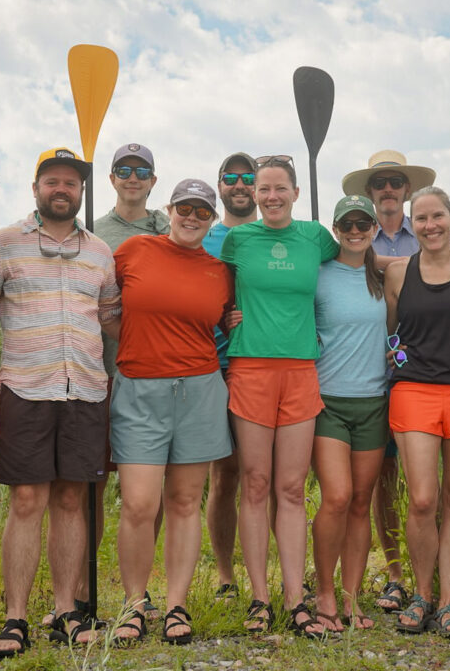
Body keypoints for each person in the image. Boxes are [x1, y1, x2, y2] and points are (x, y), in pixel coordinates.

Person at [0, 148, 119, 658]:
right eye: (52, 182)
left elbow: (111, 317)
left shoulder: (100, 251)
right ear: (36, 187)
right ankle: (15, 617)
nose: (61, 189)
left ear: (82, 191)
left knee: (71, 501)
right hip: (26, 386)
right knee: (27, 502)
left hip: (86, 388)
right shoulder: (3, 244)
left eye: (71, 183)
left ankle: (66, 610)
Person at [105, 179, 234, 644]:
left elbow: (228, 320)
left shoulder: (219, 270)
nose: (192, 217)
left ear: (211, 218)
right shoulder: (135, 250)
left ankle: (177, 605)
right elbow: (103, 300)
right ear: (170, 208)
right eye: (185, 207)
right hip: (139, 389)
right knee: (140, 504)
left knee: (183, 503)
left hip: (200, 391)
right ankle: (134, 605)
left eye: (202, 211)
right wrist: (133, 339)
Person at [219, 155, 338, 638]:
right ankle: (259, 597)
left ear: (294, 192)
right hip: (250, 369)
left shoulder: (316, 237)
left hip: (301, 371)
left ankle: (295, 598)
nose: (270, 196)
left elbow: (360, 256)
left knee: (291, 488)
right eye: (262, 188)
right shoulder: (238, 240)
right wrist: (227, 313)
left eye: (278, 188)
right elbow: (217, 291)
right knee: (255, 483)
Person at [383, 186, 450, 638]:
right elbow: (391, 334)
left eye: (437, 216)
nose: (430, 226)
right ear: (413, 223)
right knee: (423, 499)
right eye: (421, 218)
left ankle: (448, 604)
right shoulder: (397, 272)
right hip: (414, 392)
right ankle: (421, 594)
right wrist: (403, 359)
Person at [341, 149, 436, 614]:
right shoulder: (353, 235)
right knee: (383, 478)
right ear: (370, 192)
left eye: (395, 182)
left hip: (422, 371)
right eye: (379, 183)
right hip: (368, 371)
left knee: (426, 481)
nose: (388, 190)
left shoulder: (427, 233)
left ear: (406, 189)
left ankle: (428, 572)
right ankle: (396, 574)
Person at [80, 142, 170, 619]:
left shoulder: (168, 228)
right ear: (111, 179)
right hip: (98, 370)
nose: (133, 177)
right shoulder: (92, 232)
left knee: (146, 492)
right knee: (90, 484)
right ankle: (82, 588)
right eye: (123, 170)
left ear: (153, 180)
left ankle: (141, 588)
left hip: (151, 373)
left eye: (142, 170)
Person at [310, 195, 389, 632]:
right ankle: (323, 593)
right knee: (337, 497)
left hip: (374, 401)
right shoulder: (319, 275)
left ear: (374, 228)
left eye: (364, 223)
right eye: (348, 224)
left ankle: (351, 598)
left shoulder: (383, 276)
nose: (356, 230)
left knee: (361, 502)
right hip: (327, 402)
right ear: (336, 229)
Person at [202, 152, 259, 600]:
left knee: (270, 476)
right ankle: (225, 575)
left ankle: (277, 571)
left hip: (264, 364)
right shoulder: (203, 235)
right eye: (231, 178)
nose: (239, 185)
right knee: (225, 474)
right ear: (219, 185)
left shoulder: (280, 235)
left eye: (248, 178)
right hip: (213, 366)